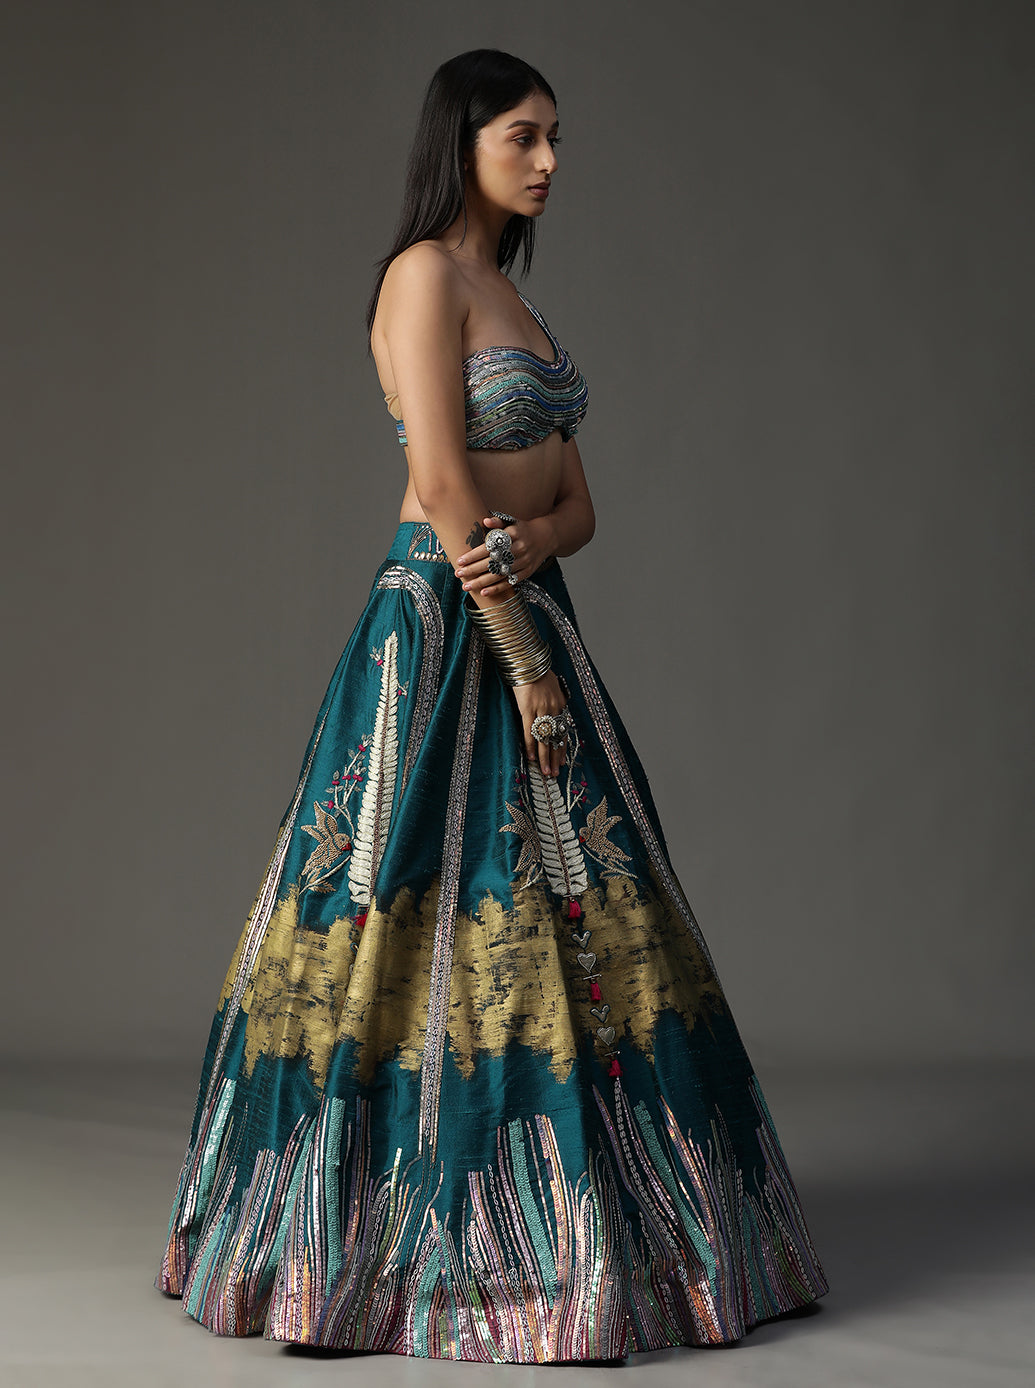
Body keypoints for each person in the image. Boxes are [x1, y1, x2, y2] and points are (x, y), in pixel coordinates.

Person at [155, 48, 829, 1364]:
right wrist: (520, 653)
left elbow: (579, 501)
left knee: (584, 901)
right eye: (524, 135)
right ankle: (371, 1250)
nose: (549, 160)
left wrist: (536, 559)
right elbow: (446, 482)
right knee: (410, 900)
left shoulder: (516, 297)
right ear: (459, 140)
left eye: (556, 137)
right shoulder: (423, 276)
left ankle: (621, 1228)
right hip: (445, 620)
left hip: (525, 599)